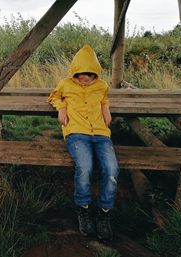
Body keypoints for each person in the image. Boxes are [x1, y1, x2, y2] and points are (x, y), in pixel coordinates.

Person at [48, 45, 119, 242]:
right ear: (74, 71)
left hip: (101, 134)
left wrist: (106, 109)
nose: (85, 77)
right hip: (77, 133)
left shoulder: (102, 86)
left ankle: (104, 213)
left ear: (95, 72)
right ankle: (84, 209)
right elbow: (54, 96)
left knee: (112, 170)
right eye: (80, 73)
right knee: (85, 167)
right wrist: (61, 108)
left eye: (89, 73)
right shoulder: (65, 84)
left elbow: (104, 99)